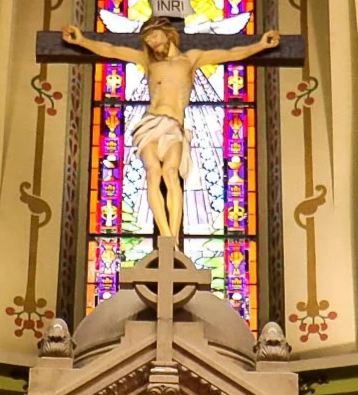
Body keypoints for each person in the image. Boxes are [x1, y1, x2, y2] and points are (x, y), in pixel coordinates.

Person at [62, 16, 280, 237]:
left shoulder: (191, 59)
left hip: (173, 126)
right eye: (148, 40)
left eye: (155, 36)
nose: (153, 42)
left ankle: (172, 239)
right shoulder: (148, 61)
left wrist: (260, 46)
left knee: (171, 172)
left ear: (168, 34)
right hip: (149, 124)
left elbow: (231, 54)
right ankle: (165, 235)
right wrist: (82, 41)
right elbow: (111, 50)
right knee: (153, 171)